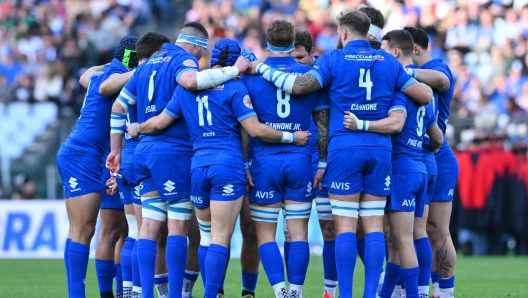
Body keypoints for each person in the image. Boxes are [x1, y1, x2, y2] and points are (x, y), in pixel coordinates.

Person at [252, 10, 433, 298]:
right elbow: (425, 95)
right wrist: (399, 82)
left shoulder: (332, 60)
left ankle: (344, 295)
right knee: (374, 225)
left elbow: (298, 87)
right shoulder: (388, 61)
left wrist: (260, 68)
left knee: (345, 226)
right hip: (380, 150)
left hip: (344, 149)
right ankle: (370, 295)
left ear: (344, 33)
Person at [127, 38, 311, 298]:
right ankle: (213, 294)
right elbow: (254, 130)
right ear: (239, 61)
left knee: (204, 237)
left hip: (198, 166)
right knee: (221, 238)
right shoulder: (236, 89)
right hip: (228, 165)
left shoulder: (185, 88)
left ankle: (153, 293)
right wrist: (293, 137)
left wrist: (136, 128)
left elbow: (159, 123)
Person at [105, 22, 251, 298]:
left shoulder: (144, 66)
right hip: (173, 151)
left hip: (142, 152)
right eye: (200, 53)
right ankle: (175, 295)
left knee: (148, 225)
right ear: (197, 46)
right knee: (178, 226)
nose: (199, 60)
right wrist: (235, 70)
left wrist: (116, 150)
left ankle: (144, 294)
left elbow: (118, 106)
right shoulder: (183, 58)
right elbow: (191, 82)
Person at [348, 29, 441, 298]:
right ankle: (387, 293)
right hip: (420, 167)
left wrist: (361, 124)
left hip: (401, 169)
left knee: (402, 240)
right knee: (404, 238)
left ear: (395, 52)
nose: (380, 56)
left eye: (384, 50)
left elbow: (395, 123)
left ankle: (414, 294)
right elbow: (436, 138)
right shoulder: (426, 92)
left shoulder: (400, 88)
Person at [240, 20, 329, 298]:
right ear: (294, 41)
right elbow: (322, 126)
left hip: (264, 161)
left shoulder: (250, 77)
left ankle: (279, 292)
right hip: (301, 161)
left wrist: (244, 164)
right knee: (298, 232)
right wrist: (322, 164)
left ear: (268, 41)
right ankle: (295, 292)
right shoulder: (310, 76)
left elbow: (244, 129)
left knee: (265, 234)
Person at [57, 35, 139, 298]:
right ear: (132, 60)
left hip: (85, 154)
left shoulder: (104, 71)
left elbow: (88, 75)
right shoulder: (114, 76)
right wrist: (140, 70)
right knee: (84, 230)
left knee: (80, 231)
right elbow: (104, 87)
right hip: (82, 156)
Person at [101, 31, 171, 298]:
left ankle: (126, 292)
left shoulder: (128, 81)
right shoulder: (154, 78)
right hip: (144, 153)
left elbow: (111, 102)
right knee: (148, 233)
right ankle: (143, 292)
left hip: (126, 160)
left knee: (132, 231)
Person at [404, 26, 458, 298]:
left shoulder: (438, 66)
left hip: (439, 156)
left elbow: (442, 81)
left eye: (404, 50)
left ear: (415, 49)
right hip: (412, 156)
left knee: (437, 230)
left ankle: (445, 292)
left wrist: (404, 71)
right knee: (411, 231)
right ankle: (417, 288)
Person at [290, 28, 337, 298]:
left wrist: (323, 160)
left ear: (312, 55)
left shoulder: (323, 75)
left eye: (300, 58)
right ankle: (308, 292)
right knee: (304, 229)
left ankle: (330, 291)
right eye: (291, 58)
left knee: (337, 227)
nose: (295, 64)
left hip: (325, 160)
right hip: (296, 161)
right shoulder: (282, 74)